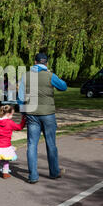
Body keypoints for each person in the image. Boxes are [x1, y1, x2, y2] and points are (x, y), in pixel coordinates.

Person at [18, 53, 67, 184]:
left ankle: (33, 176)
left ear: (35, 62)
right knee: (51, 144)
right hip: (48, 114)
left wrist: (23, 113)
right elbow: (63, 87)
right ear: (46, 63)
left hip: (31, 114)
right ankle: (54, 172)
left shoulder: (26, 76)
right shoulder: (50, 75)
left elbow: (20, 97)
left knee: (32, 144)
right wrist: (51, 74)